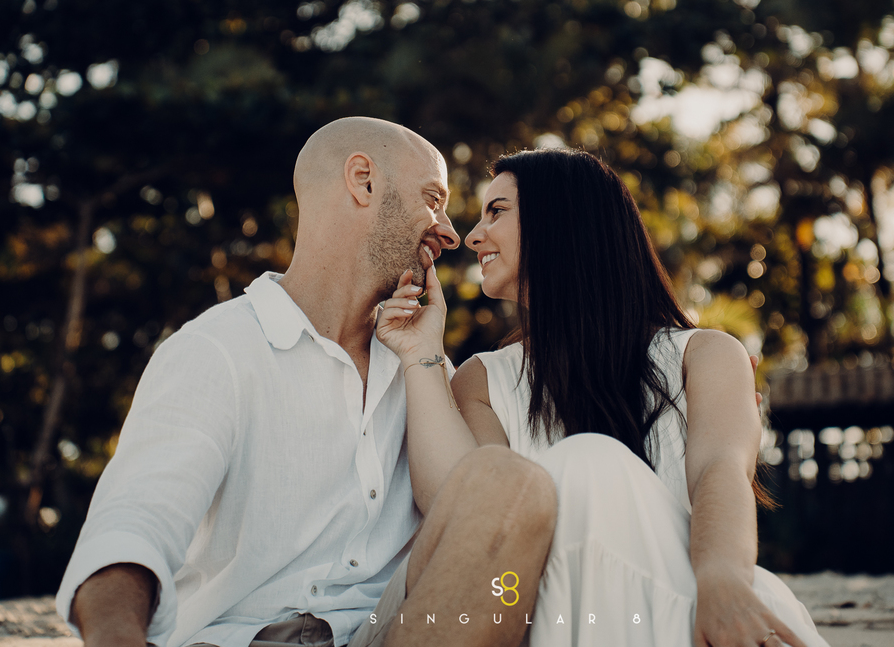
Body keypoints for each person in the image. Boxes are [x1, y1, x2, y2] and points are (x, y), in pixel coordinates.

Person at [56, 117, 558, 647]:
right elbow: (131, 528)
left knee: (506, 483)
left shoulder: (427, 373)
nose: (451, 232)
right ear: (363, 180)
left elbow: (471, 531)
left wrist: (423, 359)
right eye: (433, 199)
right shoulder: (216, 350)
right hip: (237, 640)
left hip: (390, 637)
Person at [376, 148, 830, 647]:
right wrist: (421, 356)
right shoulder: (484, 380)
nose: (472, 236)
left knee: (590, 461)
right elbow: (464, 518)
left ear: (564, 219)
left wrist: (722, 580)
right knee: (586, 461)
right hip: (545, 614)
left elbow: (719, 471)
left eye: (497, 211)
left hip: (680, 596)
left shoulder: (705, 356)